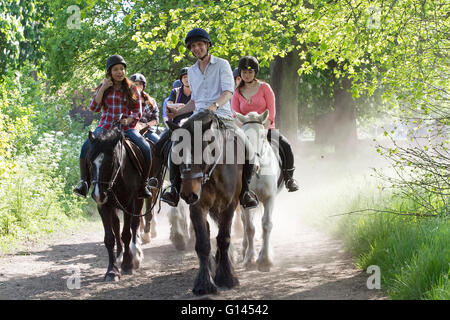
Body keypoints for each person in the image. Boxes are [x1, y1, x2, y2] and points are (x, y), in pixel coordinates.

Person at [161, 28, 259, 209]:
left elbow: (228, 92)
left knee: (248, 148)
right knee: (175, 141)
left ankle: (245, 192)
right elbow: (194, 100)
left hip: (222, 116)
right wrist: (179, 112)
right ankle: (174, 189)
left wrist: (215, 106)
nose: (197, 48)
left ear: (207, 45)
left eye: (200, 44)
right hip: (198, 117)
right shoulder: (191, 71)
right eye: (193, 46)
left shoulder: (222, 64)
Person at [73, 55, 156, 199]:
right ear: (109, 72)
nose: (119, 72)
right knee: (85, 147)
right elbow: (94, 107)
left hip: (126, 129)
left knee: (145, 147)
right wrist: (103, 88)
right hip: (104, 127)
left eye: (122, 69)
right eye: (116, 69)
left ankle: (144, 183)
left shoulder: (132, 88)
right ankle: (84, 182)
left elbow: (138, 111)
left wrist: (129, 119)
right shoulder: (104, 87)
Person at [231, 56, 299, 192]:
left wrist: (265, 127)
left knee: (286, 146)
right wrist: (243, 132)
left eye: (250, 72)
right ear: (240, 73)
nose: (247, 75)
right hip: (245, 132)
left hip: (265, 128)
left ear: (255, 72)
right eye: (244, 72)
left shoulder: (265, 88)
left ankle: (289, 178)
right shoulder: (237, 93)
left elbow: (271, 111)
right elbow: (235, 115)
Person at [130, 73, 160, 144]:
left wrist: (145, 125)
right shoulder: (127, 100)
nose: (138, 86)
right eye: (135, 84)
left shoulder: (151, 101)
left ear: (143, 86)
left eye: (140, 84)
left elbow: (155, 120)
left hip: (147, 131)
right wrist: (136, 124)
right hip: (131, 130)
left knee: (160, 144)